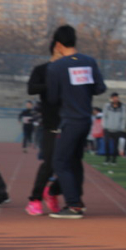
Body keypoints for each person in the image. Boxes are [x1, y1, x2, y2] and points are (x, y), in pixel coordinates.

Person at [47, 25, 106, 219]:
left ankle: (73, 205)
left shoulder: (56, 67)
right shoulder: (89, 62)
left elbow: (52, 98)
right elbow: (100, 88)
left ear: (58, 44)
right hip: (85, 119)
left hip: (69, 120)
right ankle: (77, 201)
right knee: (74, 161)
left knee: (60, 161)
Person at [25, 42, 63, 216]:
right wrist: (50, 84)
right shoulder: (42, 70)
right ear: (57, 48)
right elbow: (31, 88)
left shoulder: (71, 69)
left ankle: (53, 191)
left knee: (72, 166)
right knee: (49, 163)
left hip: (71, 123)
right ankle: (35, 199)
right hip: (50, 124)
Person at [102, 93, 126, 165]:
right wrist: (104, 126)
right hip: (108, 128)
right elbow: (104, 116)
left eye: (116, 97)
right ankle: (107, 158)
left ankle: (114, 159)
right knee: (106, 144)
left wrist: (122, 127)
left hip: (118, 129)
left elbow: (124, 118)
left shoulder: (122, 107)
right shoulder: (107, 106)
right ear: (111, 98)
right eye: (113, 98)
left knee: (116, 145)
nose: (115, 99)